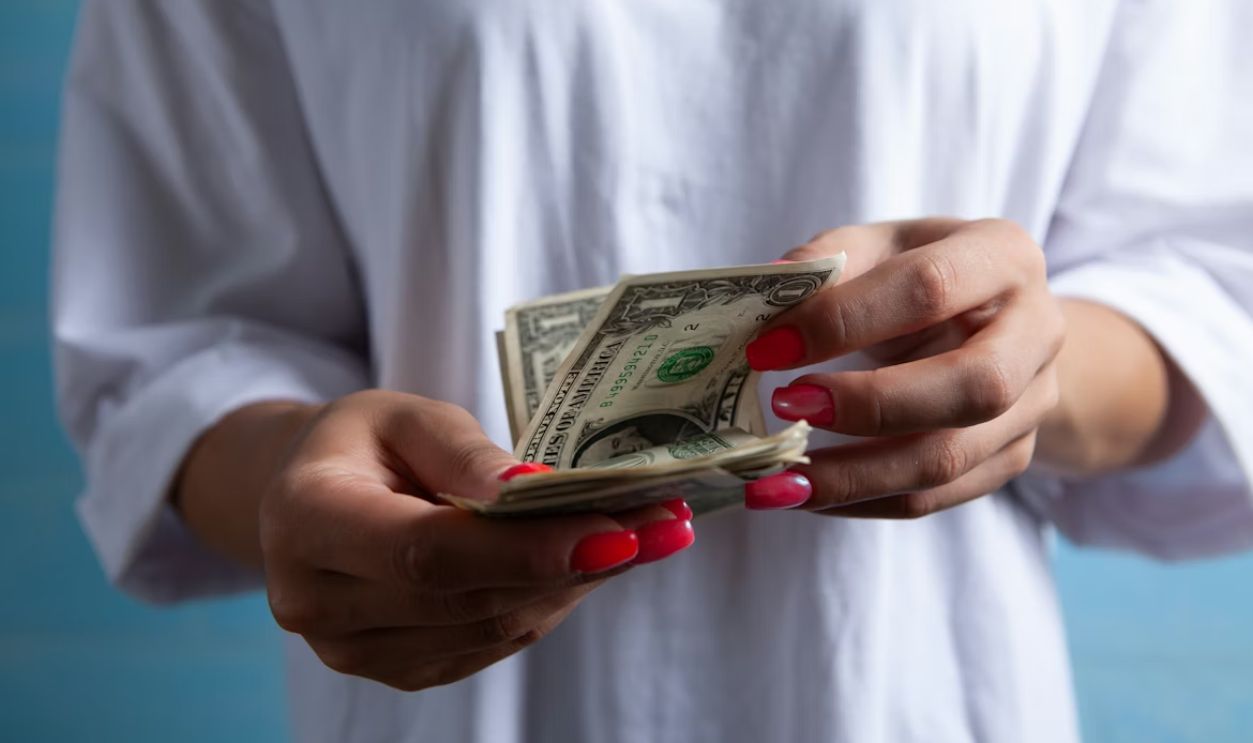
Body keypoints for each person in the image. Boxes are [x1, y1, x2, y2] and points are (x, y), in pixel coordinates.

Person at [52, 1, 1253, 741]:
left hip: (918, 692)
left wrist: (1031, 371)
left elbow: (1203, 282)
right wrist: (291, 478)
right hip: (453, 704)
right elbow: (174, 348)